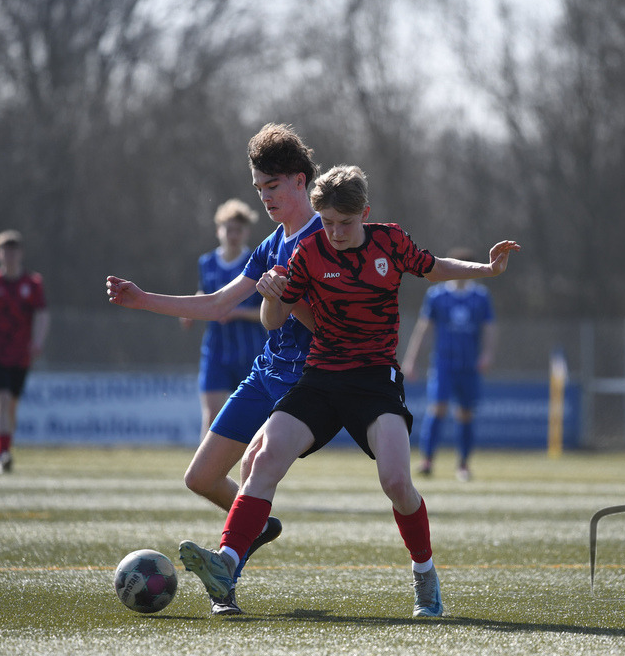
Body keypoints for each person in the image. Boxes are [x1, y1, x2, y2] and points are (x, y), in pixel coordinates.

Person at [179, 164, 520, 618]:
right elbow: (273, 321)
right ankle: (226, 565)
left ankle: (425, 575)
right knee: (263, 460)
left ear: (365, 214)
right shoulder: (308, 250)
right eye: (328, 221)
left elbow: (433, 267)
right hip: (321, 377)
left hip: (375, 380)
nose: (335, 232)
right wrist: (272, 293)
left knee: (397, 481)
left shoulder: (390, 242)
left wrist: (488, 269)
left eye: (345, 222)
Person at [105, 123, 325, 615]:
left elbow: (336, 316)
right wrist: (143, 301)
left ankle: (226, 577)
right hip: (265, 373)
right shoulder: (270, 245)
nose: (266, 197)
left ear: (300, 180)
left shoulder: (326, 239)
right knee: (200, 478)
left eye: (273, 186)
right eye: (258, 188)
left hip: (309, 383)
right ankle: (257, 526)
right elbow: (219, 304)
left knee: (254, 468)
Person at [400, 247, 496, 481]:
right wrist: (411, 360)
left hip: (468, 365)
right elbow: (424, 328)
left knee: (465, 413)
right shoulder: (437, 295)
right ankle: (427, 460)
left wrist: (487, 353)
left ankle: (463, 465)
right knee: (438, 408)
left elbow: (490, 328)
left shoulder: (481, 297)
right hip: (443, 363)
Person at [181, 199, 268, 433]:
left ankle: (256, 468)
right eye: (228, 229)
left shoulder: (257, 263)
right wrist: (191, 311)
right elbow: (204, 294)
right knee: (212, 416)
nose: (233, 234)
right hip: (216, 351)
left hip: (250, 351)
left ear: (246, 232)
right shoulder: (207, 263)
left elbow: (267, 313)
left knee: (256, 418)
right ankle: (210, 471)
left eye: (238, 230)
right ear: (219, 230)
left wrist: (235, 311)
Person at [0, 230, 50, 475]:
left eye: (14, 250)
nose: (10, 255)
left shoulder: (33, 284)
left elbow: (42, 315)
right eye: (5, 250)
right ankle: (1, 454)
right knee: (1, 399)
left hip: (21, 355)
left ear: (21, 253)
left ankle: (5, 446)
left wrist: (37, 341)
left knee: (12, 405)